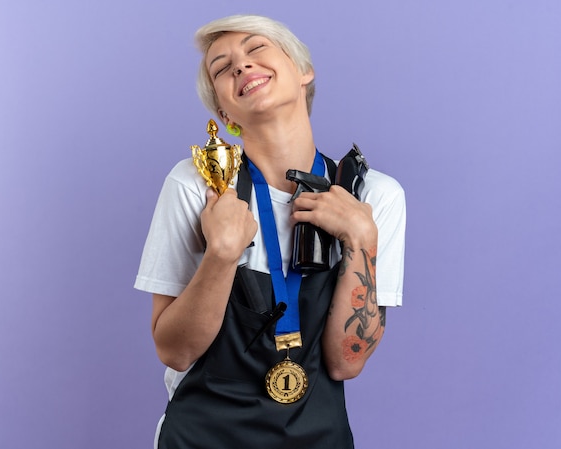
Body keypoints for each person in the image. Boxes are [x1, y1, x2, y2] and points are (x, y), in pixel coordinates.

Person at [134, 14, 406, 448]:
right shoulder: (196, 185)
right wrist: (221, 254)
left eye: (256, 48)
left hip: (320, 437)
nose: (240, 66)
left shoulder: (373, 196)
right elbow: (174, 351)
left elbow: (346, 363)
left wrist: (361, 239)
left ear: (303, 71)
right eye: (221, 68)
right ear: (224, 113)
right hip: (200, 437)